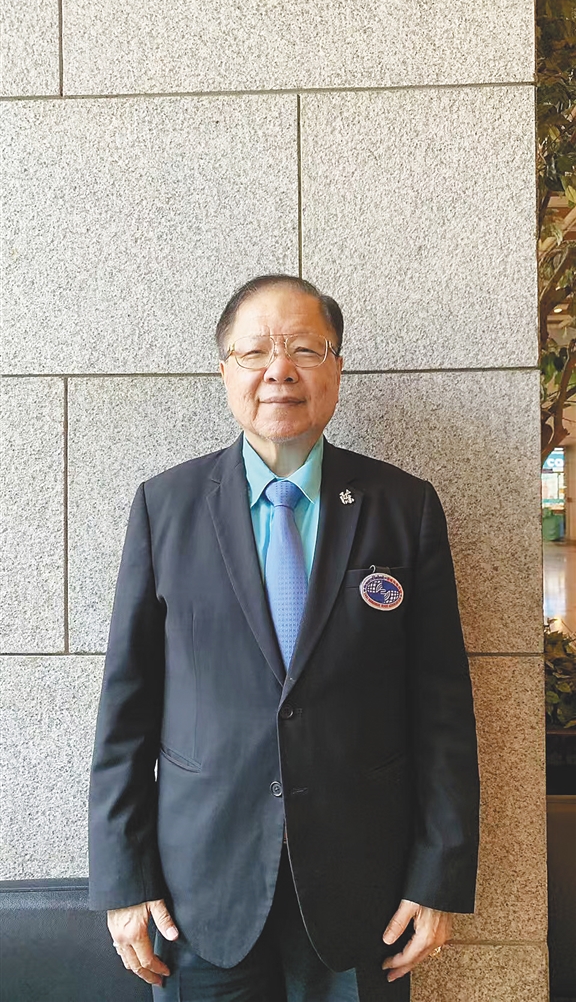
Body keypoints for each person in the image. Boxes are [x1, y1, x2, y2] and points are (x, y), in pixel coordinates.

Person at [89, 274, 480, 1002]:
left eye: (305, 349)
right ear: (225, 370)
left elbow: (443, 711)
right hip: (197, 893)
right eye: (256, 352)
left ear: (337, 368)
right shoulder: (165, 508)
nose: (280, 371)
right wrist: (123, 880)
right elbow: (126, 710)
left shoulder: (404, 507)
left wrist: (440, 876)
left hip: (364, 888)